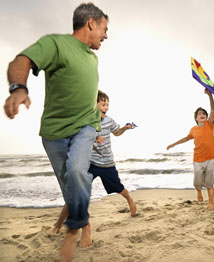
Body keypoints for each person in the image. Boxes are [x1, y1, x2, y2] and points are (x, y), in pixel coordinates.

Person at [3, 3, 108, 261]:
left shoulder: (92, 57)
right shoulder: (56, 44)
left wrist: (95, 124)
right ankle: (84, 224)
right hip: (54, 132)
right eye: (105, 29)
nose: (106, 35)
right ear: (91, 23)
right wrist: (18, 88)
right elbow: (22, 60)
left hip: (85, 127)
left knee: (77, 172)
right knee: (68, 186)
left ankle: (74, 230)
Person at [49, 90, 137, 234]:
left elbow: (116, 133)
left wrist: (125, 129)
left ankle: (130, 200)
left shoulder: (109, 121)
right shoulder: (85, 122)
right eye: (103, 104)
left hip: (107, 163)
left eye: (107, 104)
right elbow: (76, 138)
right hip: (89, 163)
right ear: (93, 105)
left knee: (119, 188)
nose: (106, 107)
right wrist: (92, 138)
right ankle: (58, 225)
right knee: (76, 192)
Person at [166, 89, 214, 210]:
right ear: (196, 118)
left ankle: (211, 203)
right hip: (198, 159)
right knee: (197, 181)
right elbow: (186, 138)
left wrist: (210, 95)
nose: (202, 114)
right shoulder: (193, 129)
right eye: (199, 114)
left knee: (209, 182)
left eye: (203, 113)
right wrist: (173, 144)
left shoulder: (210, 124)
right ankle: (199, 190)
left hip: (211, 158)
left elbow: (213, 110)